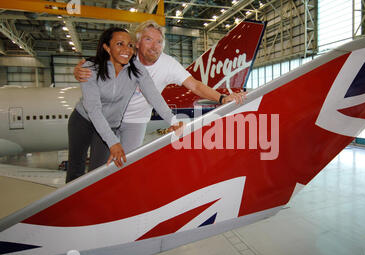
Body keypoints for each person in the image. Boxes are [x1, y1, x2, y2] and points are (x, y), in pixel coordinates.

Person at [74, 20, 246, 155]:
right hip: (109, 118)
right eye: (148, 40)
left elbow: (195, 85)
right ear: (138, 43)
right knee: (103, 167)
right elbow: (98, 66)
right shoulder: (125, 55)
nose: (154, 46)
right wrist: (81, 70)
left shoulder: (168, 64)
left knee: (127, 166)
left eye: (159, 42)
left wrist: (222, 98)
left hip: (137, 121)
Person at [66, 27, 182, 183]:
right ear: (106, 47)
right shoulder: (90, 68)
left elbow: (154, 96)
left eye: (129, 45)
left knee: (98, 173)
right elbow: (93, 108)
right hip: (83, 120)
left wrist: (173, 120)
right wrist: (113, 142)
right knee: (75, 170)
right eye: (119, 44)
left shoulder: (136, 70)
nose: (126, 49)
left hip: (110, 124)